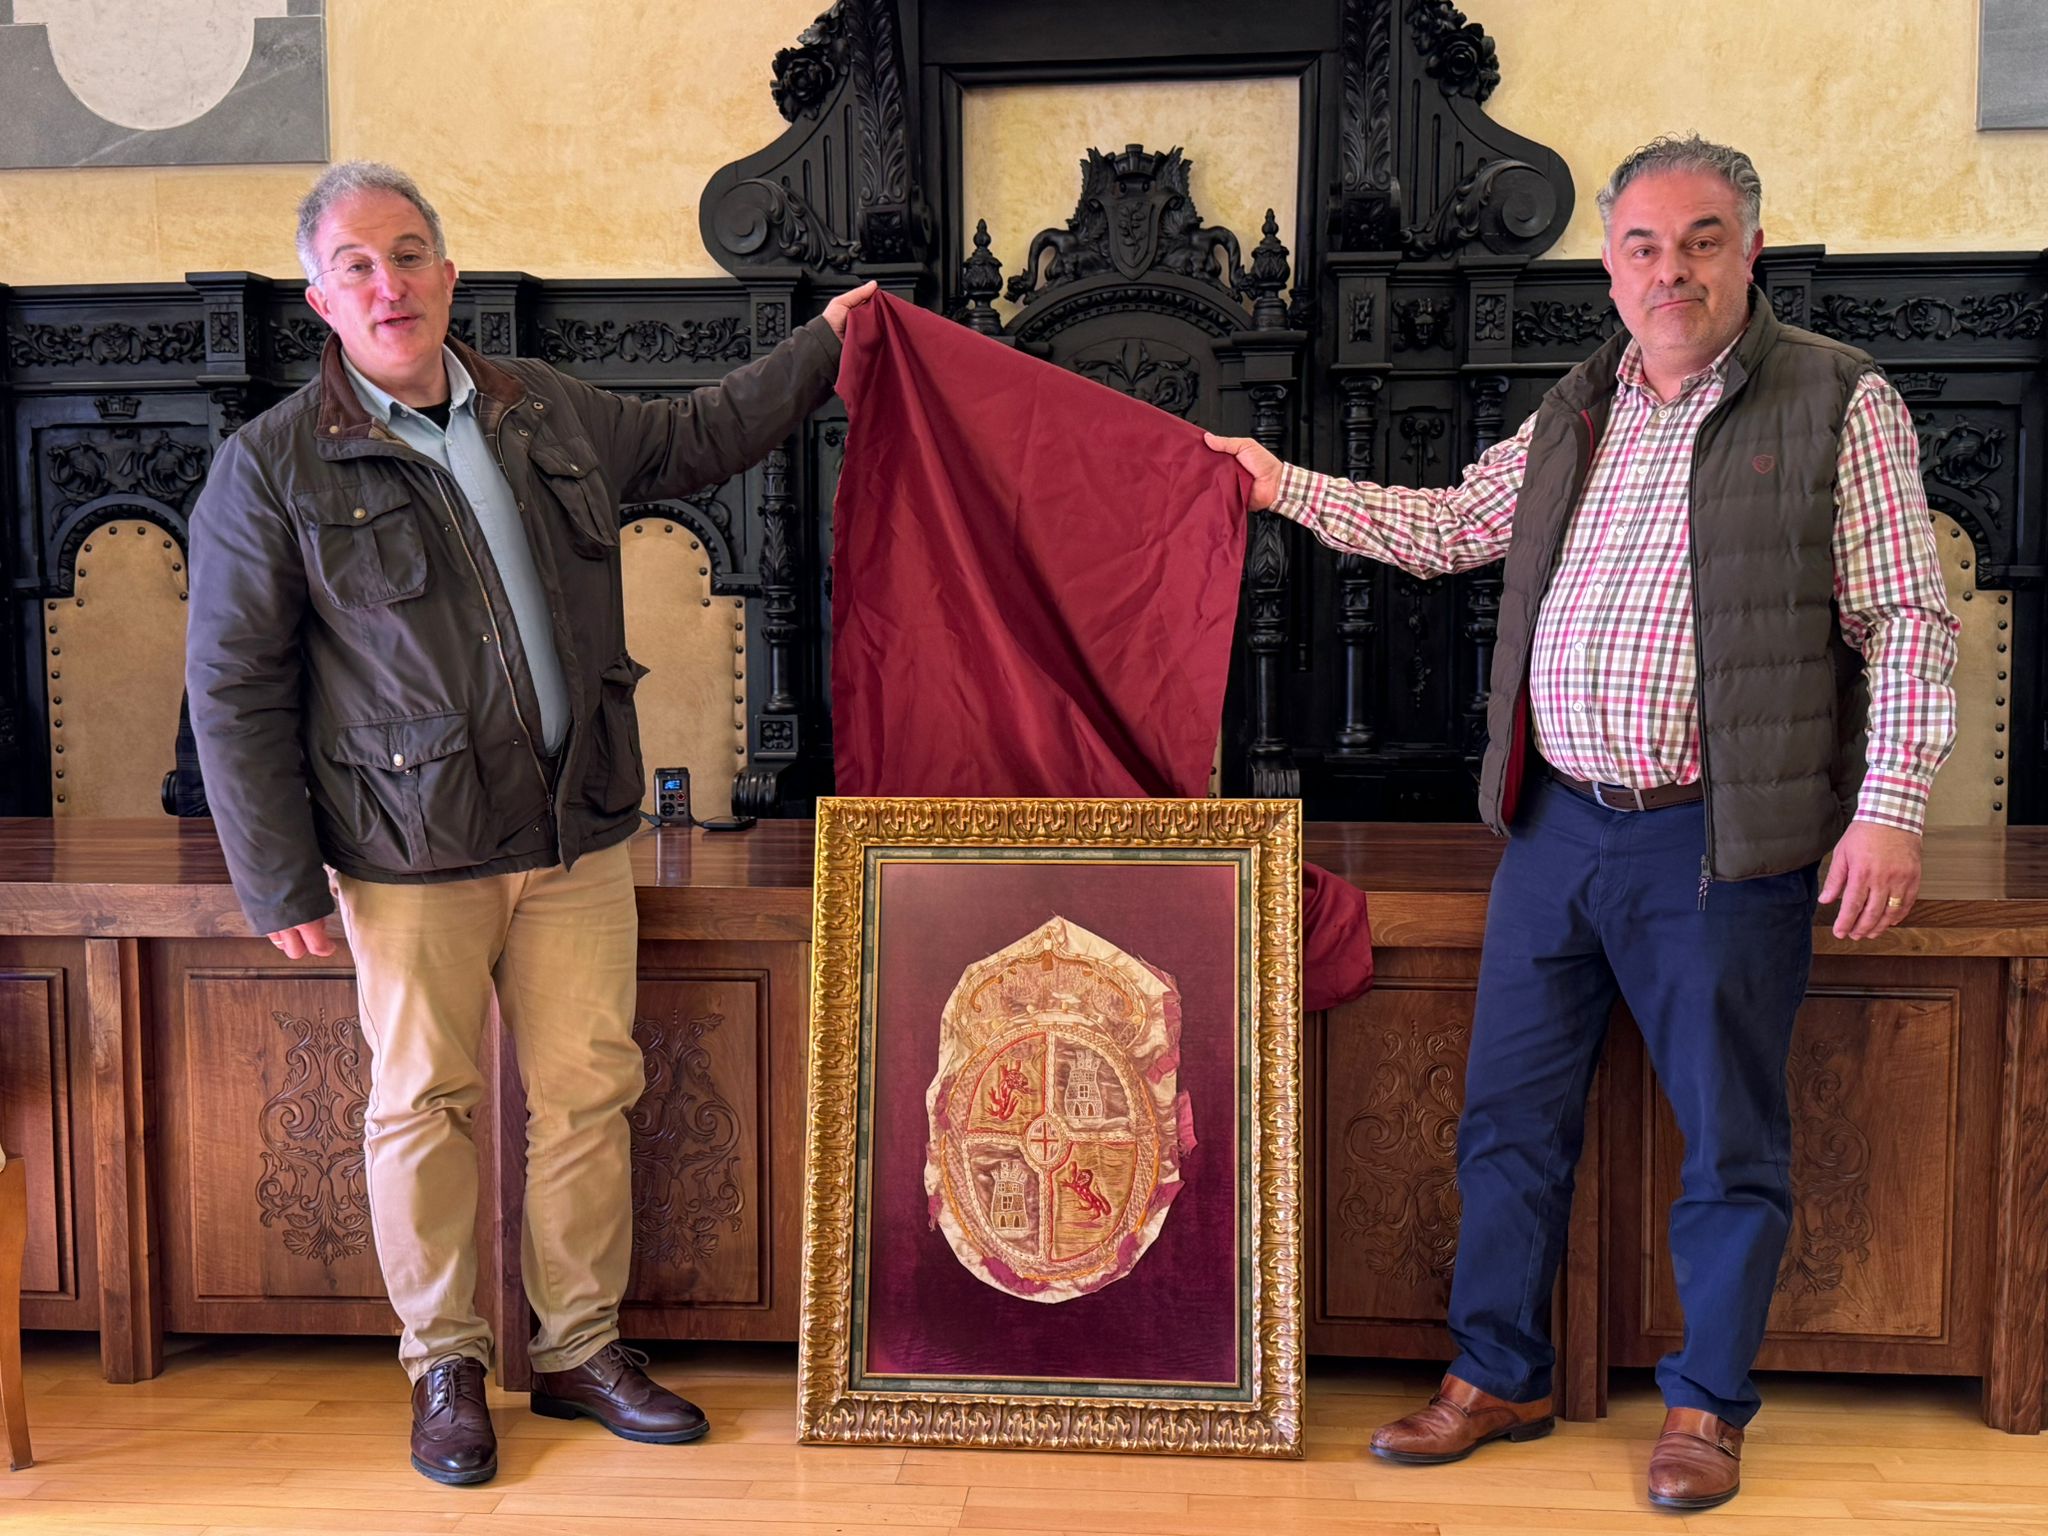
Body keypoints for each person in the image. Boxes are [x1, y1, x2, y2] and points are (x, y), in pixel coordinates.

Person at [1206, 134, 1957, 1512]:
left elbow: (1905, 621)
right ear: (1611, 267)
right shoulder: (1576, 413)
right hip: (1555, 832)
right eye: (1645, 246)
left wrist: (1892, 811)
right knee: (1506, 1122)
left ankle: (1708, 1409)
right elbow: (1444, 527)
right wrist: (1279, 483)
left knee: (1730, 1139)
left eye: (1703, 239)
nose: (1672, 270)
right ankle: (1498, 1374)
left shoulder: (1840, 399)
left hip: (1720, 839)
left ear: (1750, 248)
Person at [185, 160, 873, 1487]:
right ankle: (445, 1366)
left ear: (450, 273)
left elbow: (703, 434)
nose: (389, 283)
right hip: (405, 851)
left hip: (578, 833)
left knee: (588, 1096)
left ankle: (580, 1350)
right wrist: (276, 881)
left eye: (410, 253)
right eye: (357, 267)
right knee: (420, 1107)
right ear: (321, 302)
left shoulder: (543, 408)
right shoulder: (267, 466)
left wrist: (828, 343)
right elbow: (231, 685)